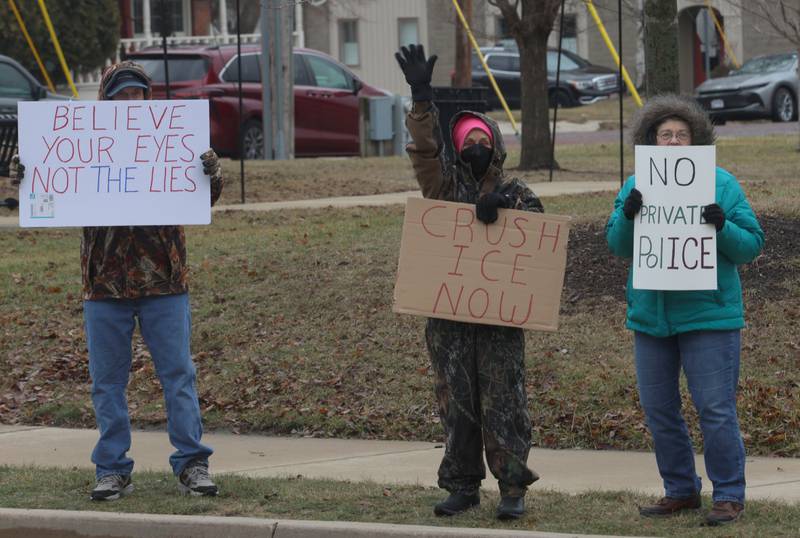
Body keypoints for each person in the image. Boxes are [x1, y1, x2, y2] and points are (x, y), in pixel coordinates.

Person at [9, 61, 224, 501]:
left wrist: (211, 174)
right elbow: (49, 191)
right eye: (121, 96)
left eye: (136, 95)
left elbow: (202, 197)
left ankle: (192, 464)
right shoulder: (87, 142)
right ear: (106, 101)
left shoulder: (171, 139)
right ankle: (111, 469)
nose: (130, 103)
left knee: (178, 375)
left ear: (147, 98)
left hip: (164, 282)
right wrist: (26, 175)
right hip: (104, 286)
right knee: (107, 382)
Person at [395, 44, 542, 520]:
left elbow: (538, 241)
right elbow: (423, 149)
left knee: (504, 403)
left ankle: (512, 487)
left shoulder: (517, 191)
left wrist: (504, 209)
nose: (474, 148)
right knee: (456, 402)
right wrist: (422, 98)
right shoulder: (443, 188)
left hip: (500, 324)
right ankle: (461, 484)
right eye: (466, 142)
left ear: (494, 145)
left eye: (482, 140)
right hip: (450, 320)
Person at [605, 94, 764, 525]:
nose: (673, 142)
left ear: (696, 141)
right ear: (651, 142)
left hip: (709, 317)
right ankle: (680, 490)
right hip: (652, 319)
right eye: (665, 135)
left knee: (715, 409)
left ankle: (728, 495)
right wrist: (629, 216)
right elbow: (617, 245)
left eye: (681, 135)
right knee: (659, 411)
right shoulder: (635, 184)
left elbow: (751, 246)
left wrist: (722, 226)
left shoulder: (722, 184)